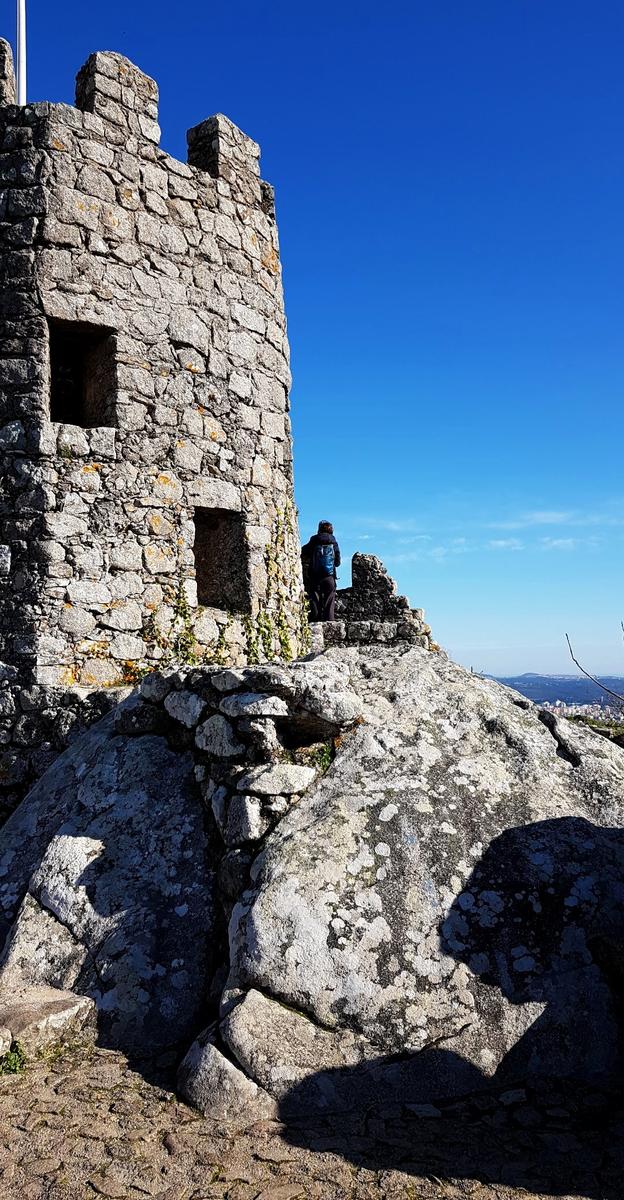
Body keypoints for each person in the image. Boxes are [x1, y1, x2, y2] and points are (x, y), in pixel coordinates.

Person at [301, 521, 341, 622]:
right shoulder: (334, 542)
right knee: (330, 598)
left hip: (315, 576)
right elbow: (337, 563)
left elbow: (304, 551)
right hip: (329, 577)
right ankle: (329, 621)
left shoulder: (314, 539)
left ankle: (315, 621)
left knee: (314, 597)